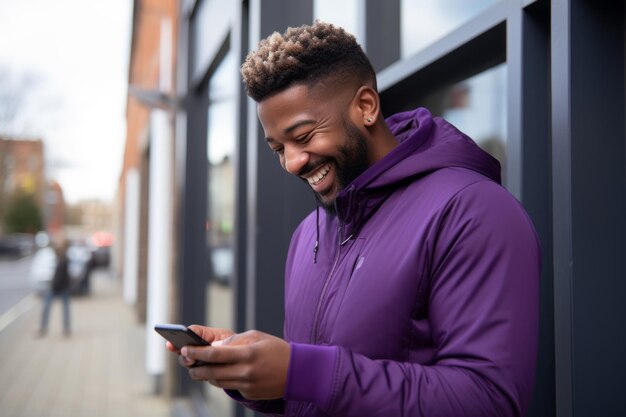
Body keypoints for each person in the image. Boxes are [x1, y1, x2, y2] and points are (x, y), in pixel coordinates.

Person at [167, 21, 541, 417]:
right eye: (278, 147)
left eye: (305, 136)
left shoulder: (473, 211)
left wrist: (301, 370)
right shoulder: (308, 233)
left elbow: (489, 400)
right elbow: (319, 394)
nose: (292, 163)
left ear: (365, 106)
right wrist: (249, 371)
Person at [38, 240, 72, 337]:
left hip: (58, 288)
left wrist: (54, 287)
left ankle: (64, 329)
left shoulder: (63, 260)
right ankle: (65, 329)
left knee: (52, 308)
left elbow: (60, 277)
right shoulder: (60, 259)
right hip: (60, 287)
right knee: (63, 309)